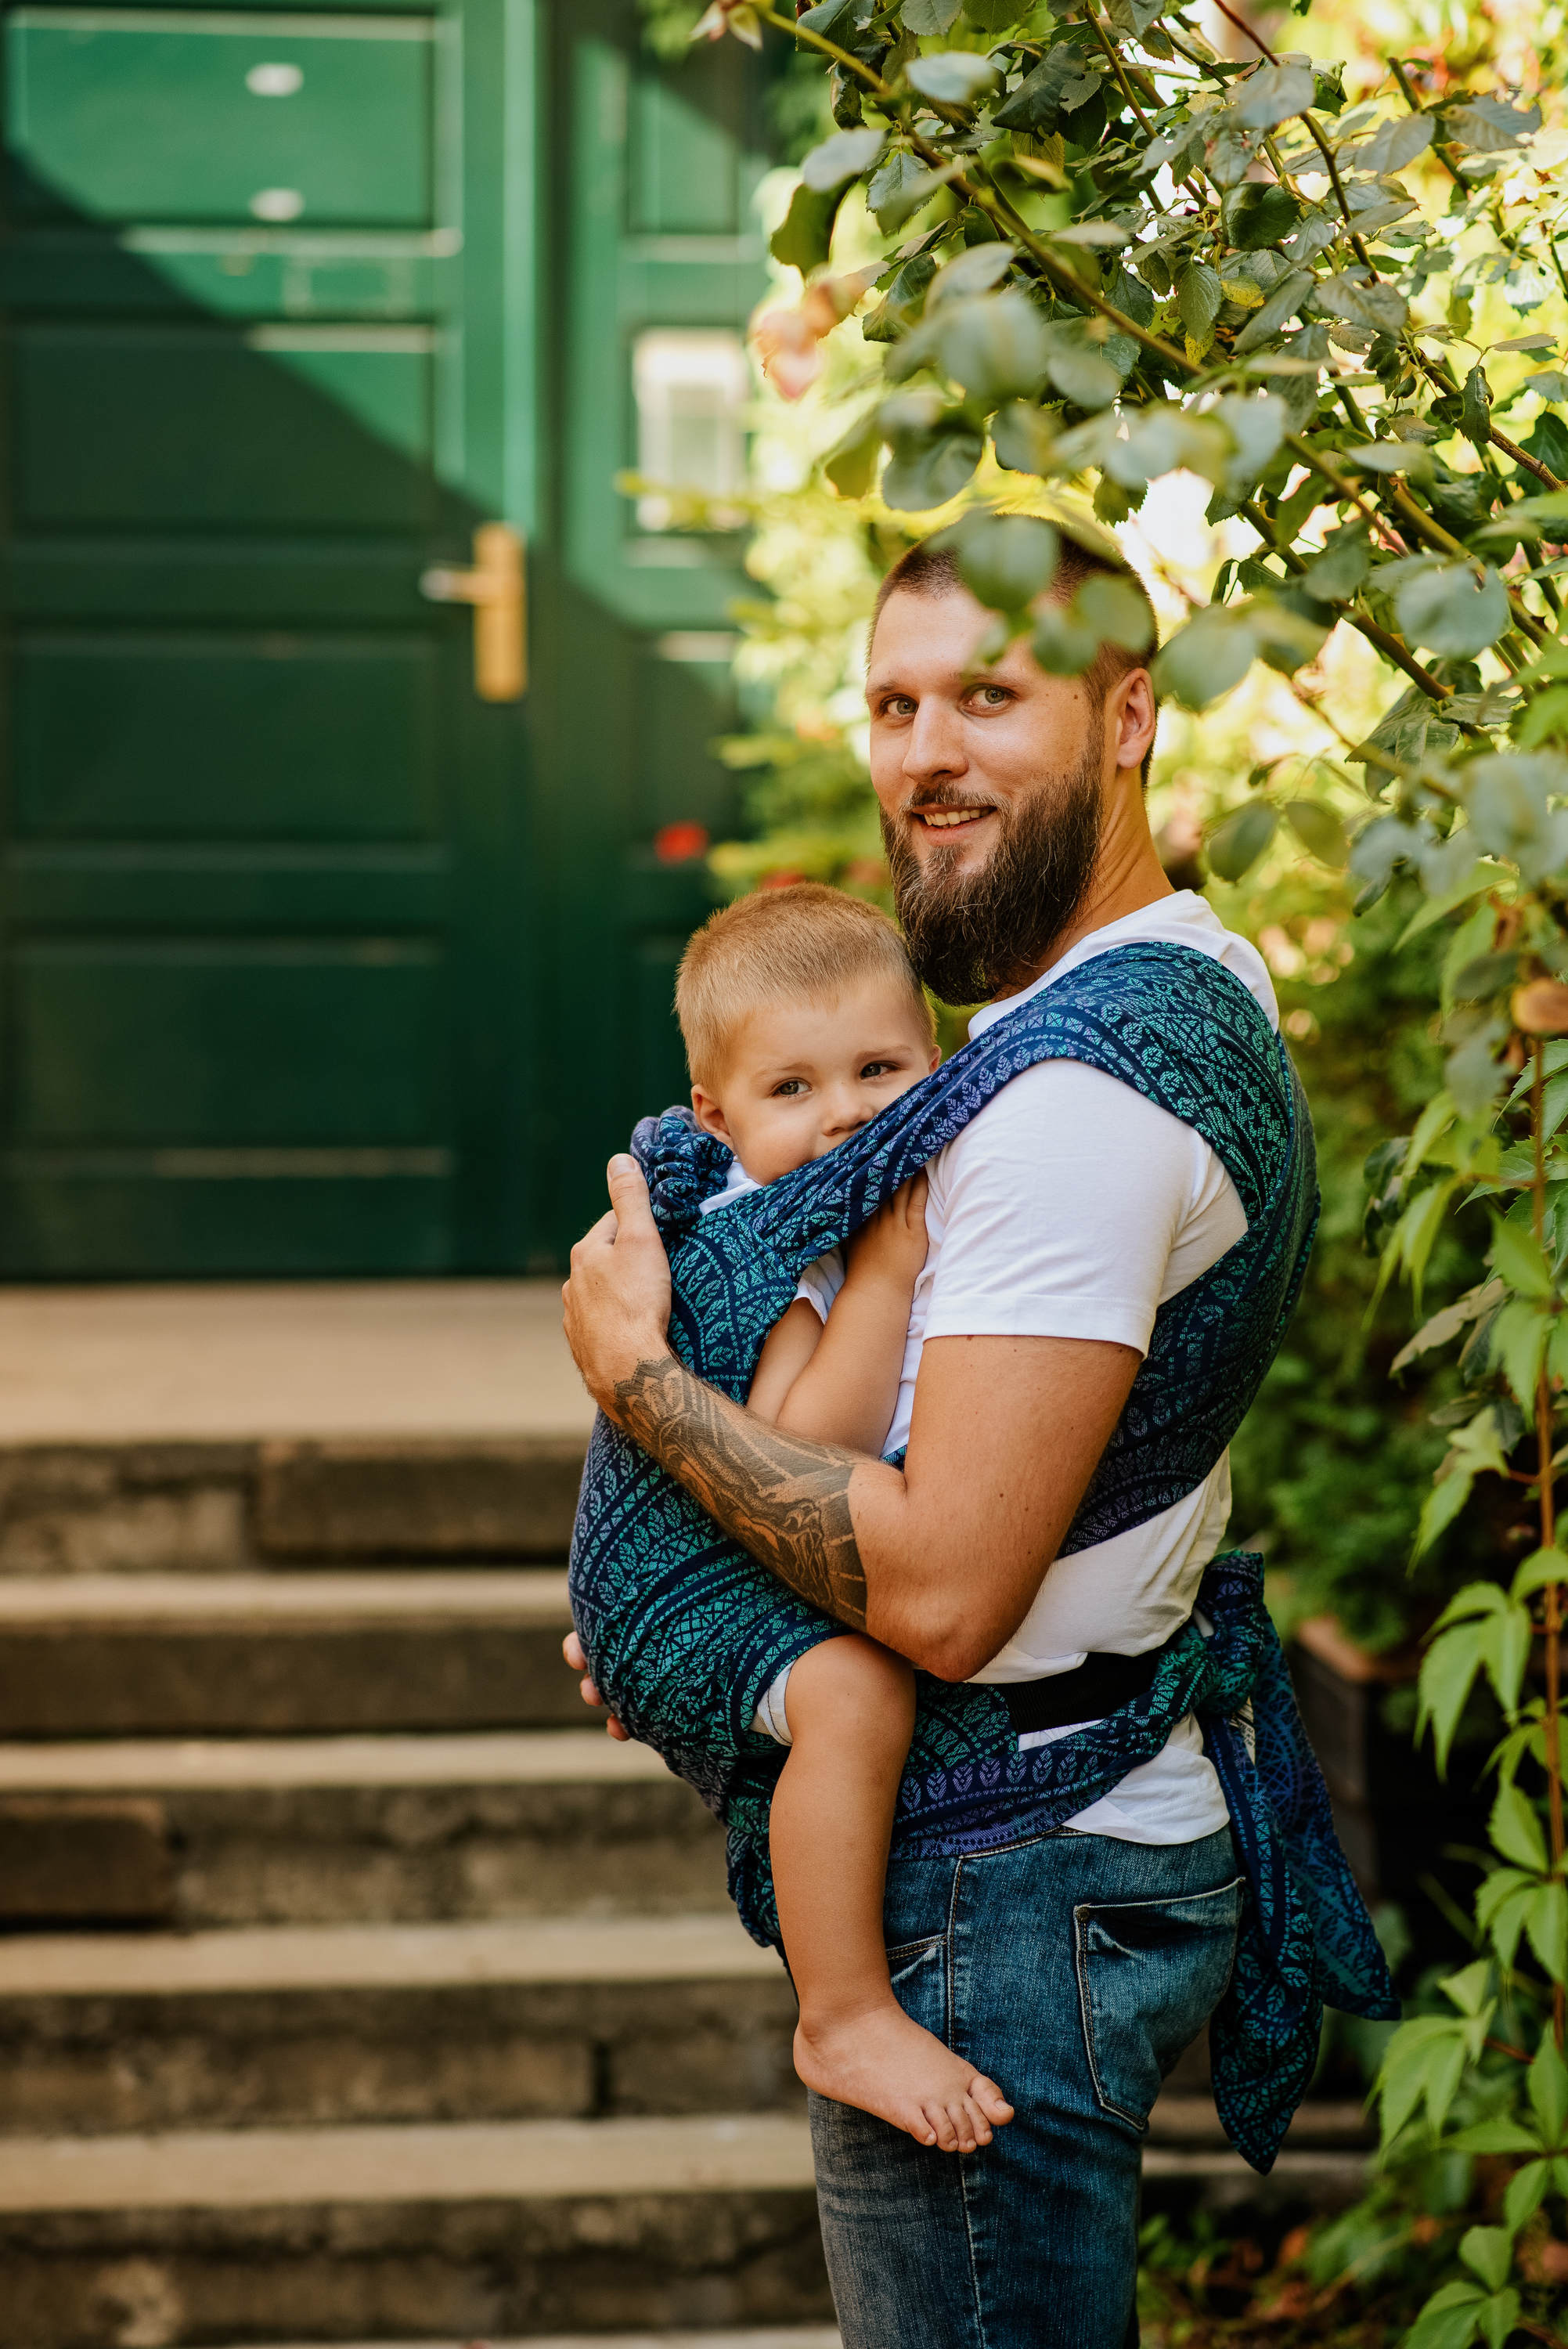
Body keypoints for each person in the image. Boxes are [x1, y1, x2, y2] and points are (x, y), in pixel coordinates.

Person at [561, 535, 1303, 2345]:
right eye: (896, 704)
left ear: (1130, 719)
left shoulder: (1064, 1109)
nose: (926, 754)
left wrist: (636, 1385)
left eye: (991, 696)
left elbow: (950, 1593)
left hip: (1006, 1884)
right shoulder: (1188, 983)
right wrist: (702, 1607)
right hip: (1057, 1836)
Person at [670, 883, 1013, 2153]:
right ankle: (843, 2011)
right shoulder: (764, 1240)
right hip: (724, 1581)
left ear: (939, 1054)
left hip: (774, 1569)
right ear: (719, 1118)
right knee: (857, 1695)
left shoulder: (898, 1184)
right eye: (792, 1089)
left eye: (879, 1067)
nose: (846, 1114)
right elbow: (810, 1450)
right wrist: (882, 1274)